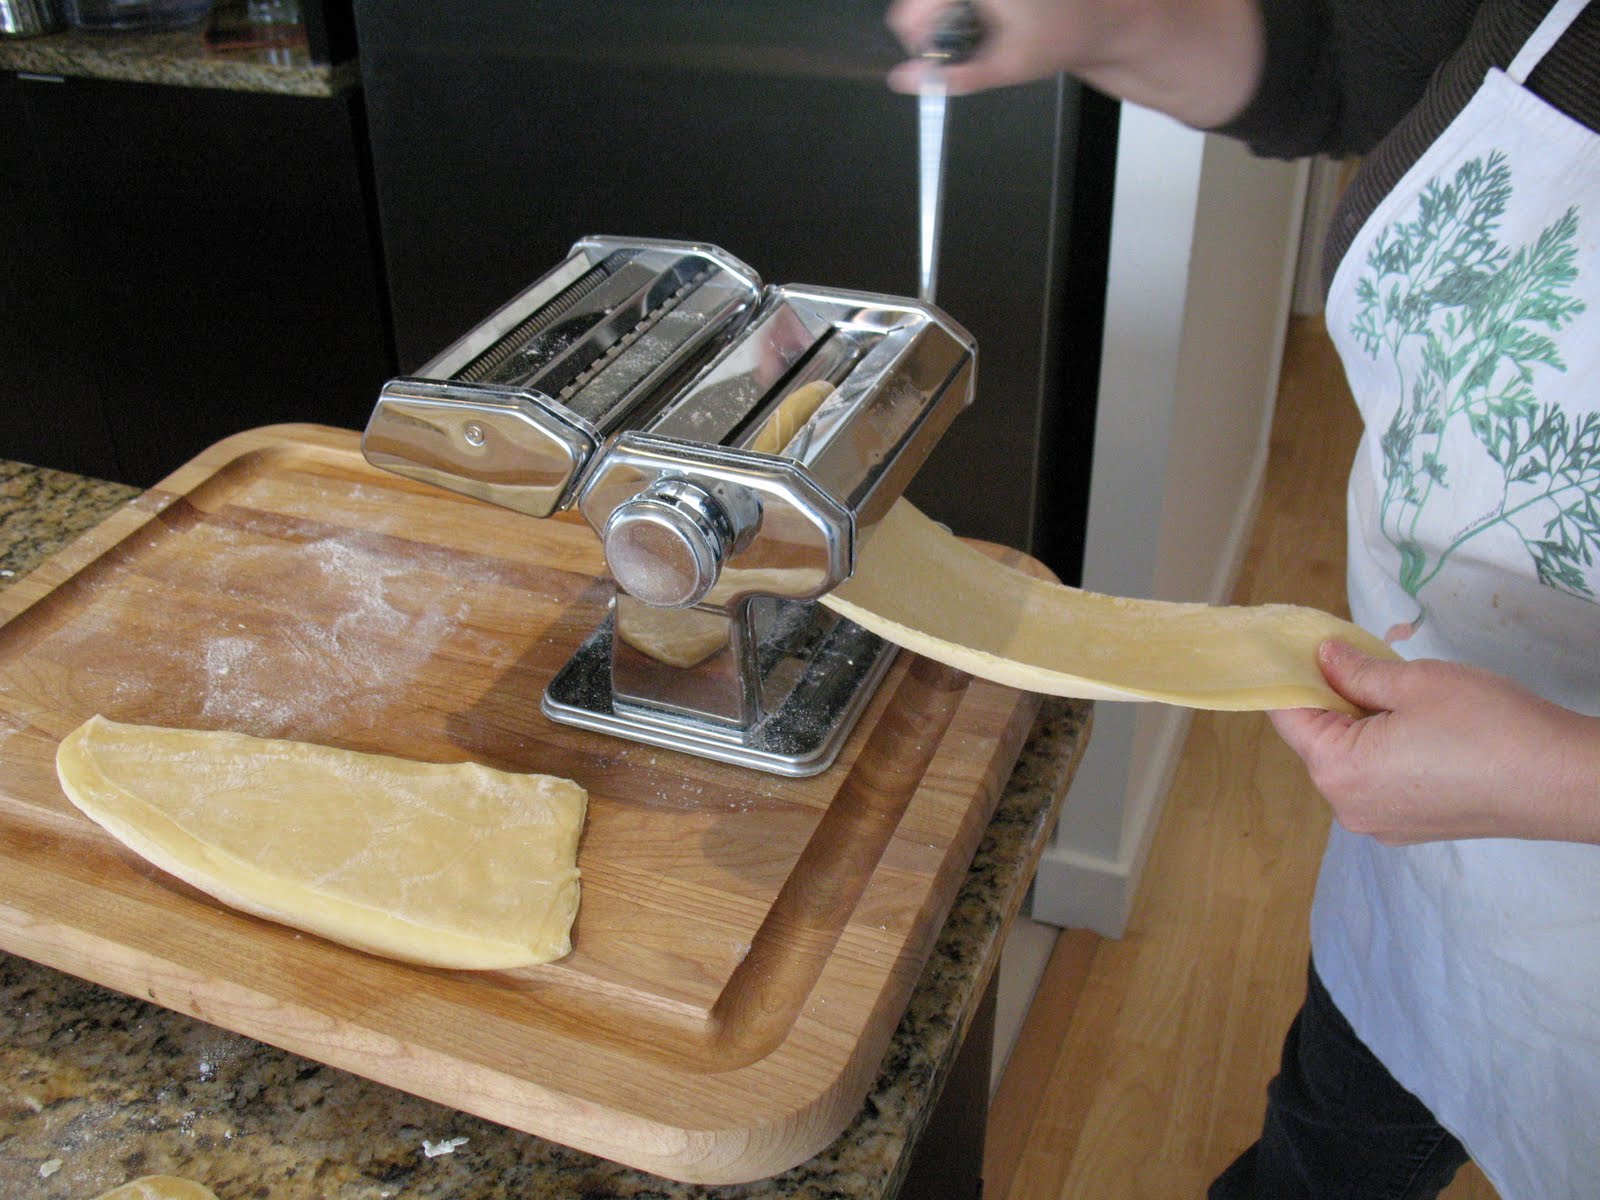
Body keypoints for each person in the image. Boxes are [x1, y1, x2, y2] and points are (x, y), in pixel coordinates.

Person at [884, 1, 1600, 1196]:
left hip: (1516, 809)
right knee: (1318, 1160)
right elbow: (1327, 54)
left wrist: (1563, 781)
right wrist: (1096, 22)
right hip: (1435, 847)